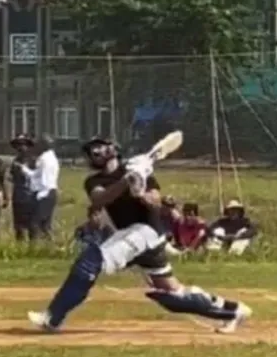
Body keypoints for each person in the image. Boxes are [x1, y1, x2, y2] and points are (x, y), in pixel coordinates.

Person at [28, 136, 251, 334]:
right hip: (131, 235)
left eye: (99, 147)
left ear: (112, 148)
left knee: (89, 262)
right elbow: (100, 199)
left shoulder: (140, 169)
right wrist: (126, 181)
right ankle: (233, 311)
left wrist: (140, 190)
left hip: (147, 231)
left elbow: (155, 201)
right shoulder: (95, 181)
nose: (94, 153)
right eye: (90, 151)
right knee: (173, 296)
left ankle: (53, 318)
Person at [29, 134, 59, 241]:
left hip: (45, 193)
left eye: (38, 144)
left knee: (35, 223)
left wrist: (40, 195)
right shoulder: (50, 157)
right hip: (50, 192)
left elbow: (45, 180)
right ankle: (49, 247)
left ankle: (34, 248)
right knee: (45, 224)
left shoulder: (45, 159)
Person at [8, 134, 36, 241]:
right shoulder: (15, 160)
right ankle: (19, 247)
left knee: (32, 225)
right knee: (18, 225)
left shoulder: (33, 161)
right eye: (19, 145)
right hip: (18, 196)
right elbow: (12, 176)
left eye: (23, 144)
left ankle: (33, 248)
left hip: (30, 196)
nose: (21, 147)